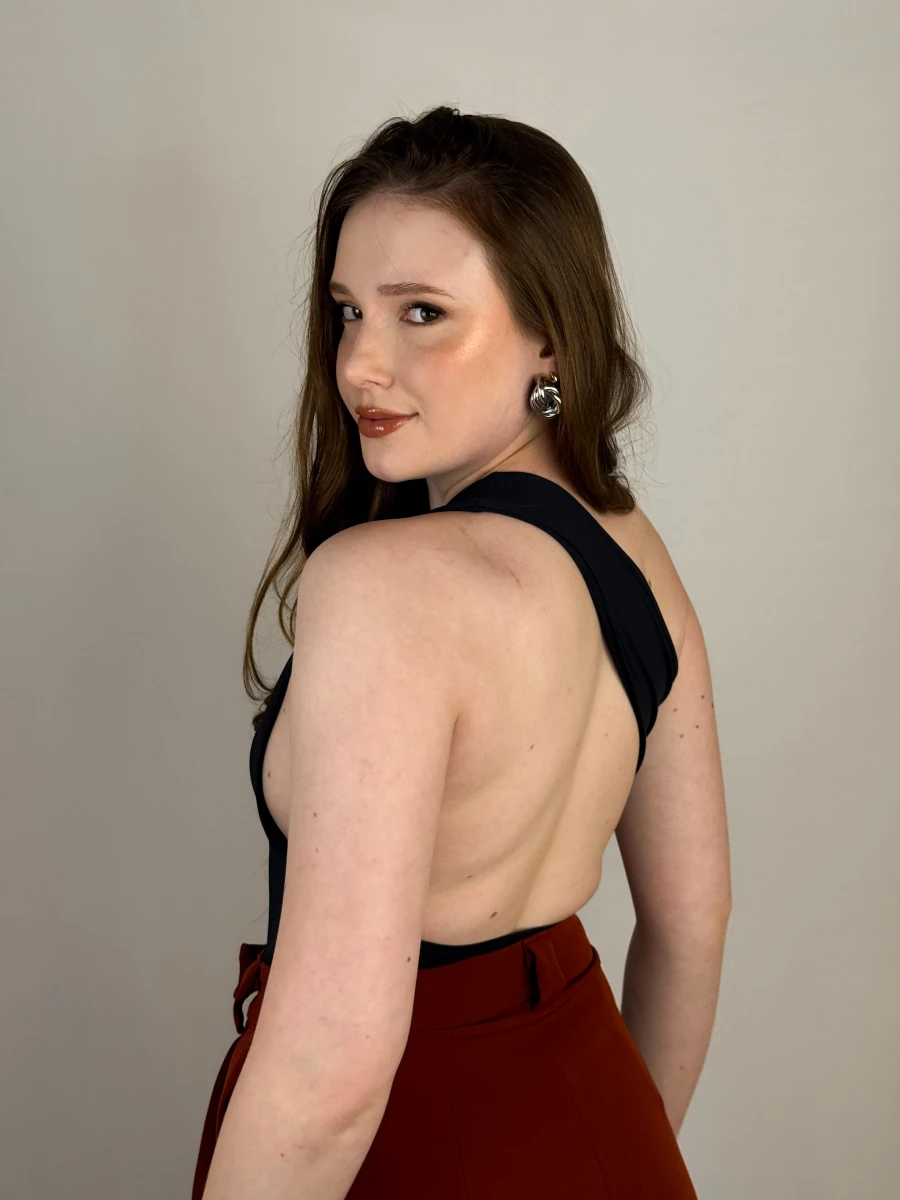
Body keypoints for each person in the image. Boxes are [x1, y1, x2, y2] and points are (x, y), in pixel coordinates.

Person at [193, 104, 730, 1200]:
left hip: (407, 1148)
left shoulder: (381, 589)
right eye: (348, 312)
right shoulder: (630, 545)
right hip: (601, 1122)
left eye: (422, 313)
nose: (360, 364)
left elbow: (330, 1077)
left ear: (550, 338)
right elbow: (693, 920)